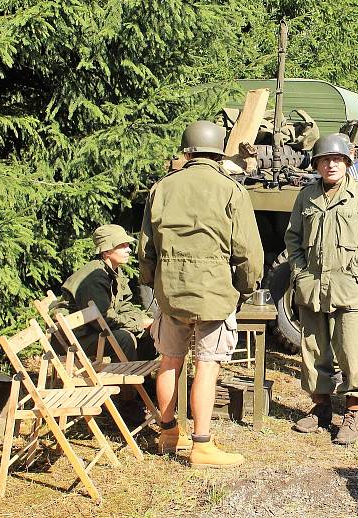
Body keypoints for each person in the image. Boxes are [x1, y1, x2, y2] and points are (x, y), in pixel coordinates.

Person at [139, 120, 264, 467]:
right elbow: (248, 252)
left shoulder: (162, 188)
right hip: (215, 293)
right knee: (207, 366)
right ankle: (202, 445)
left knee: (169, 361)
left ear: (187, 150)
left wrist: (154, 287)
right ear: (218, 150)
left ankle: (166, 433)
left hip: (171, 292)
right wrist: (245, 287)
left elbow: (146, 248)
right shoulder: (231, 189)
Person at [285, 133, 358, 445]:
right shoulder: (306, 196)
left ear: (347, 162)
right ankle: (320, 408)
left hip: (352, 288)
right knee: (314, 351)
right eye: (324, 160)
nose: (330, 165)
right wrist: (300, 272)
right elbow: (293, 238)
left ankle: (353, 413)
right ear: (316, 164)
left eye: (336, 159)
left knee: (352, 352)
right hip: (313, 287)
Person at [61, 224, 155, 362]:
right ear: (106, 252)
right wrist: (140, 323)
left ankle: (142, 381)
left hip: (93, 331)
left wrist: (145, 320)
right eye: (122, 246)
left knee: (152, 334)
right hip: (77, 337)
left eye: (127, 245)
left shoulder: (114, 271)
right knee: (124, 339)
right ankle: (127, 382)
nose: (128, 249)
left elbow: (124, 304)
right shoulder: (94, 278)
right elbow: (104, 320)